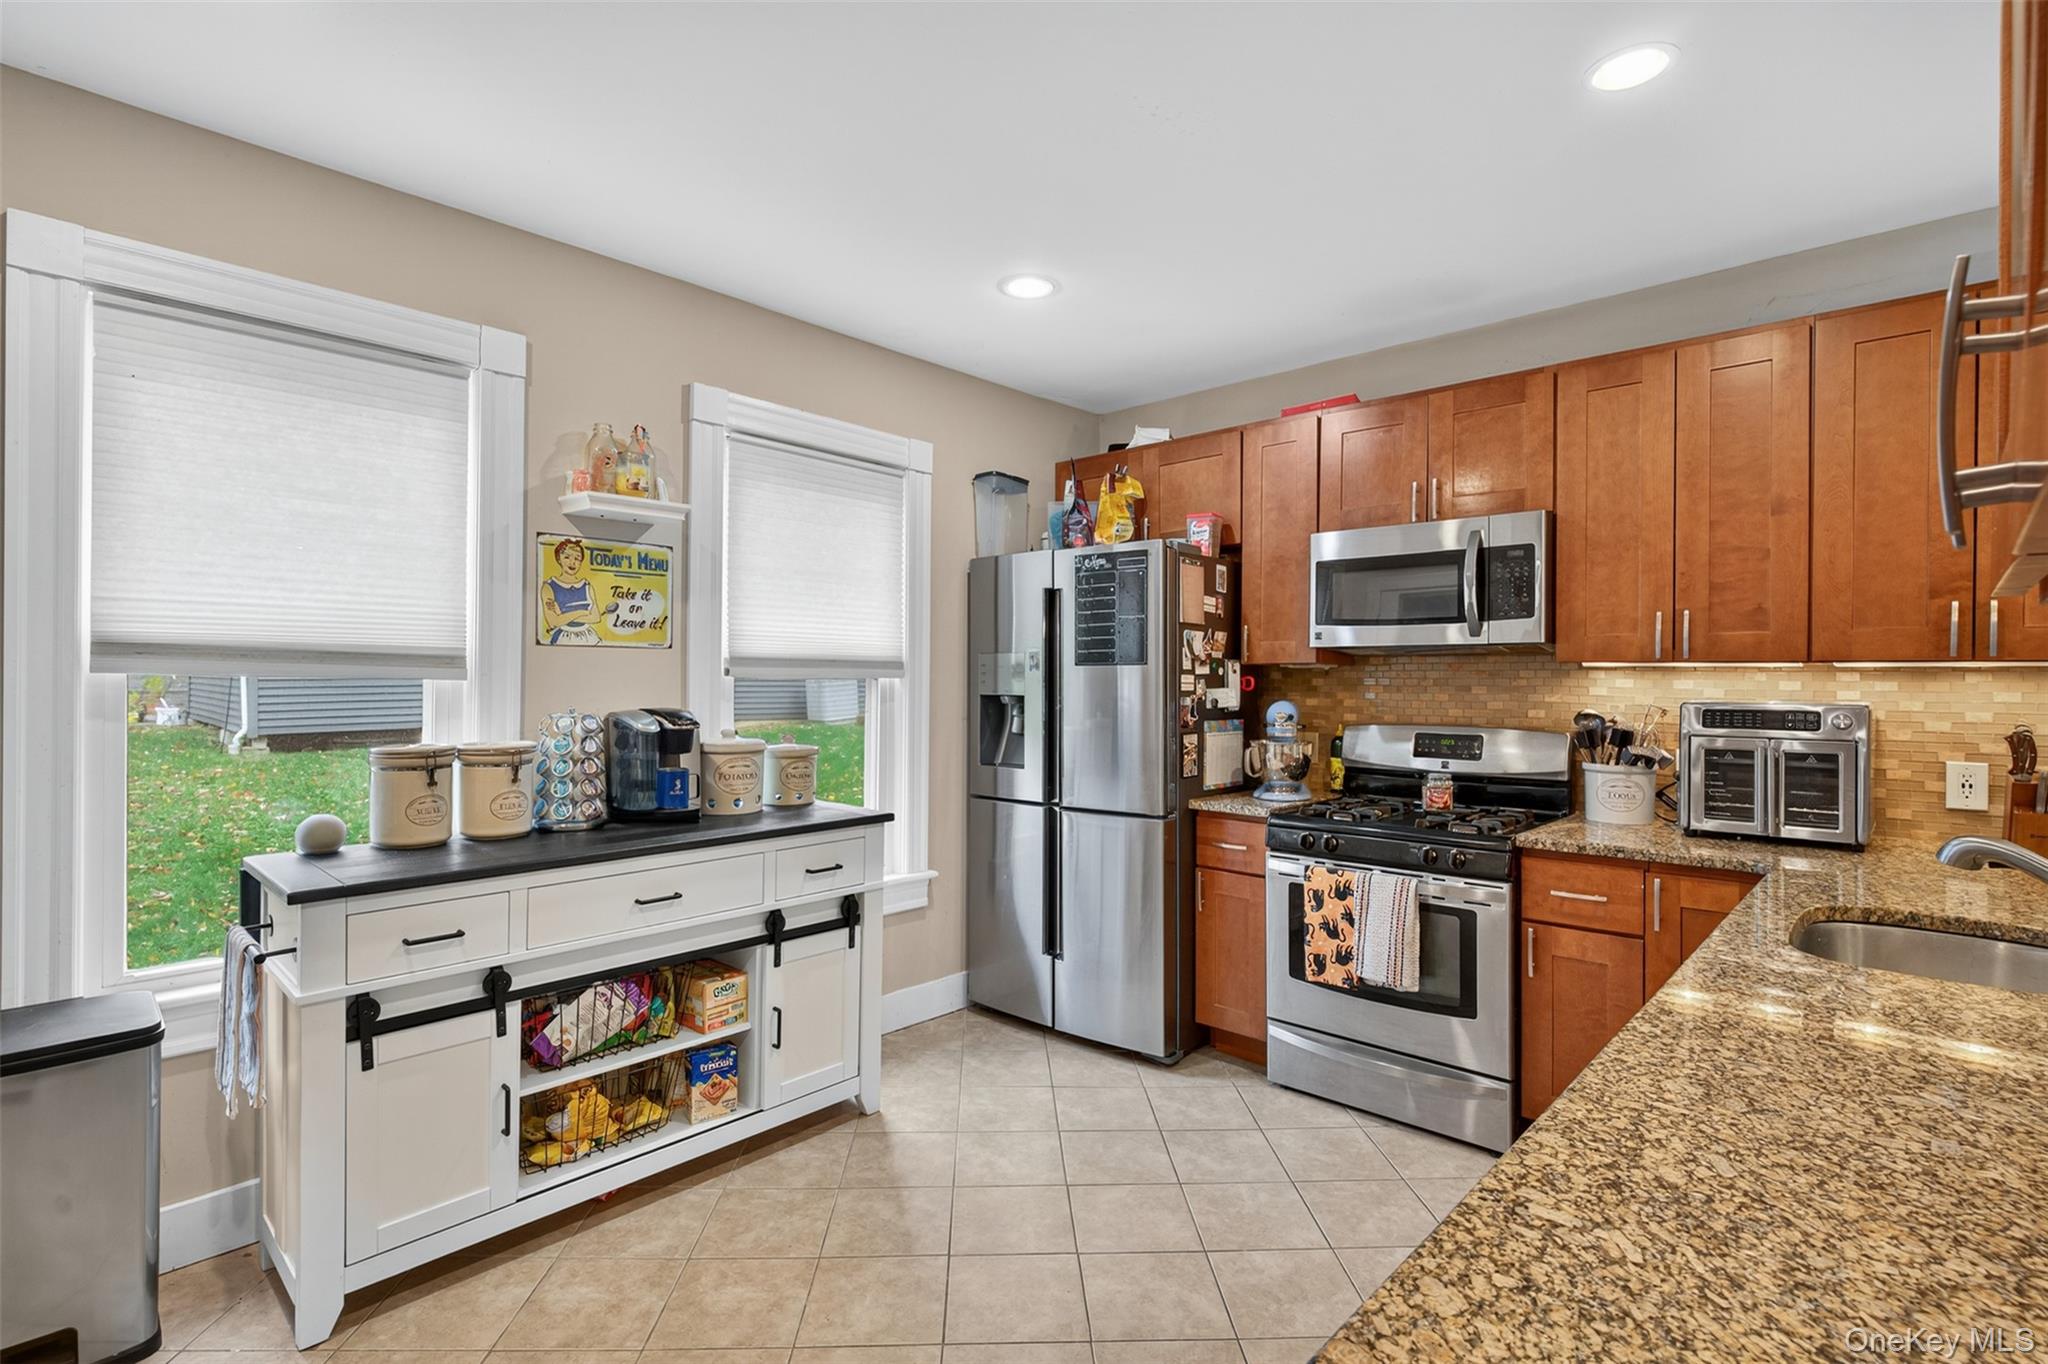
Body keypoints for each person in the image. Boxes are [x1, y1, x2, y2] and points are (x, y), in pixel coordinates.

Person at [541, 537, 600, 645]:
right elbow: (553, 622)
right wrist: (583, 612)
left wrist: (563, 616)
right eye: (567, 557)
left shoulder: (587, 586)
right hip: (563, 637)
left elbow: (596, 617)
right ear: (559, 559)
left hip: (589, 636)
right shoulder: (549, 587)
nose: (572, 562)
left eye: (577, 558)